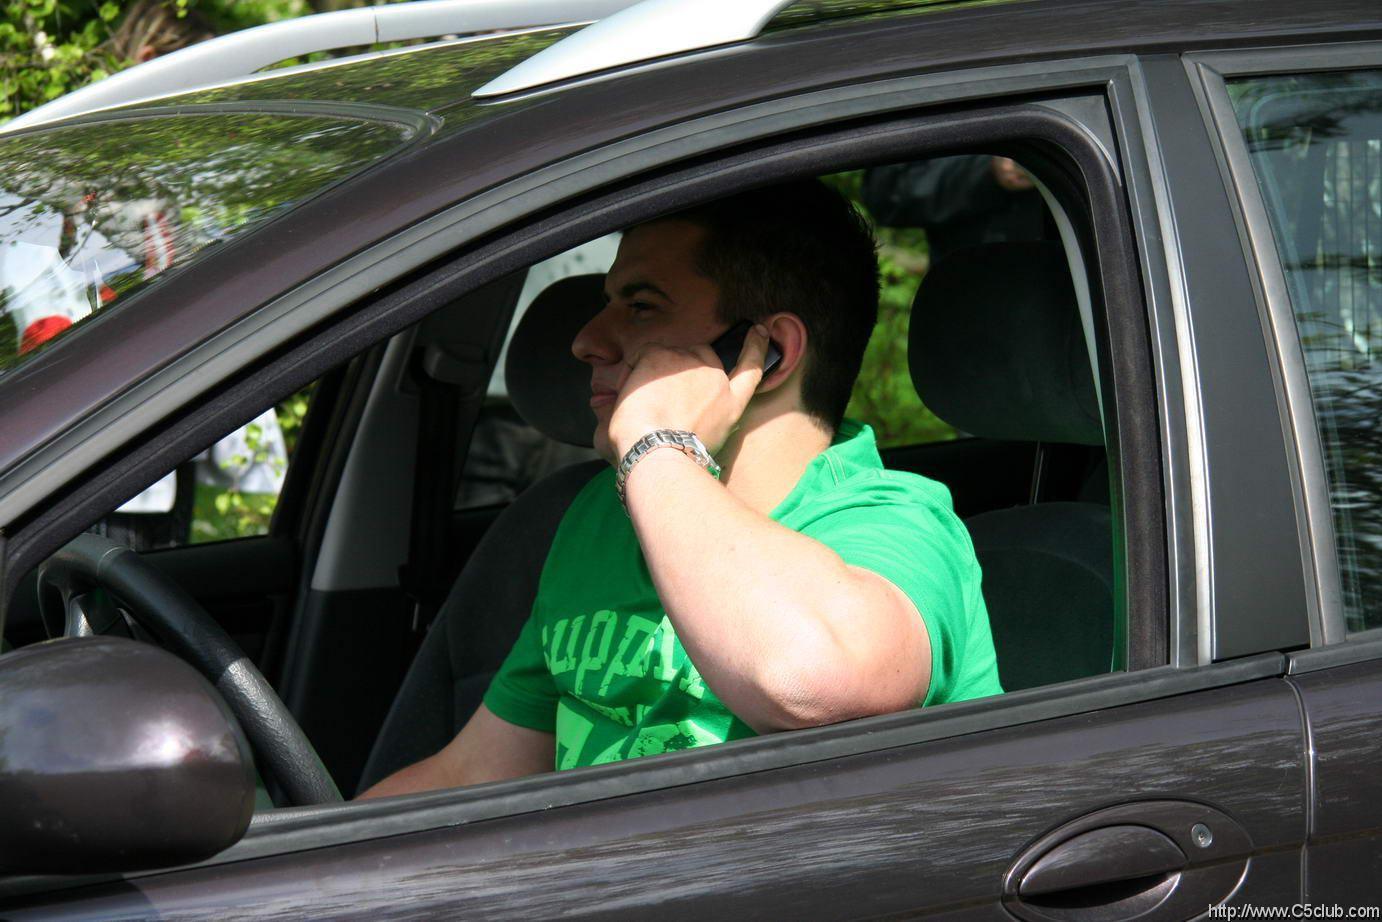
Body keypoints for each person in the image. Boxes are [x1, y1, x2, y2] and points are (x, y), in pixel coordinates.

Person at [359, 179, 1001, 797]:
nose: (585, 341)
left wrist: (657, 444)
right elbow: (473, 774)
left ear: (769, 353)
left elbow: (808, 683)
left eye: (641, 306)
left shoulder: (895, 524)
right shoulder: (599, 516)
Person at [861, 155, 1049, 261]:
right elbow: (886, 193)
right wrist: (986, 171)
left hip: (1060, 282)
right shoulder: (923, 99)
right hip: (976, 289)